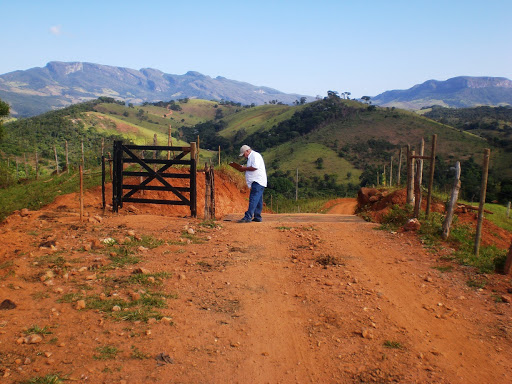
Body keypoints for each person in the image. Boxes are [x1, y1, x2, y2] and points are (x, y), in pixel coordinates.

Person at [237, 145, 267, 223]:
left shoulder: (254, 155)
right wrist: (244, 169)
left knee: (253, 198)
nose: (244, 156)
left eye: (244, 154)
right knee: (258, 199)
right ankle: (257, 216)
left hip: (257, 181)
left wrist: (244, 168)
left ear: (247, 151)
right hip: (258, 181)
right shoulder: (252, 156)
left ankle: (248, 216)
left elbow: (254, 167)